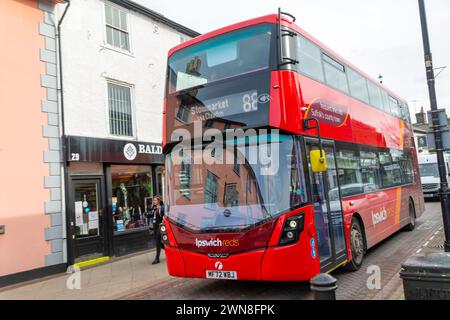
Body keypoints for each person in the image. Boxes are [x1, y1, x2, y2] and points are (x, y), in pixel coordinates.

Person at [148, 195, 165, 264]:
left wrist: (158, 209)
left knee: (157, 242)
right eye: (154, 200)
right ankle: (169, 250)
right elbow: (152, 215)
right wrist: (147, 214)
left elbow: (162, 216)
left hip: (159, 226)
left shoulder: (162, 207)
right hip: (154, 226)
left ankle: (157, 258)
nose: (154, 201)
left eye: (155, 200)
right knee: (158, 242)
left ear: (159, 201)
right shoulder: (154, 207)